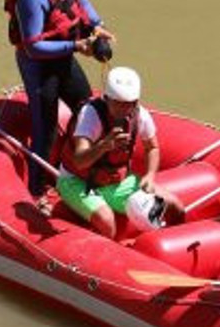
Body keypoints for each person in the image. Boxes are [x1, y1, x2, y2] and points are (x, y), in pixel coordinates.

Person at [4, 0, 115, 205]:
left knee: (87, 108)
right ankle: (37, 190)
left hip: (63, 57)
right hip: (38, 66)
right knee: (46, 127)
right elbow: (33, 47)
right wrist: (76, 46)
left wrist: (96, 27)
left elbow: (83, 4)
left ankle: (77, 166)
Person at [57, 66, 184, 238]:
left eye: (128, 104)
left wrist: (150, 175)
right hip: (77, 180)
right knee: (107, 222)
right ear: (107, 98)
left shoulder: (139, 114)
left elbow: (152, 147)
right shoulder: (90, 115)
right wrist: (104, 146)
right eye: (117, 103)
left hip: (115, 180)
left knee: (175, 206)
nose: (123, 110)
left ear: (136, 102)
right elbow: (79, 160)